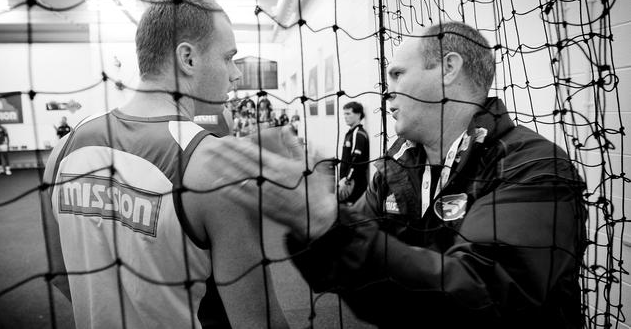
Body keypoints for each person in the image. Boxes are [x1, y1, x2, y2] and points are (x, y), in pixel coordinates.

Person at [204, 22, 586, 328]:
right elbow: (362, 264)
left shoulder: (533, 167)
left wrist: (328, 223)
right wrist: (317, 222)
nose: (389, 91)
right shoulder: (397, 165)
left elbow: (480, 299)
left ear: (449, 69)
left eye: (399, 73)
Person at [41, 0, 288, 329]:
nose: (237, 74)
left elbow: (59, 275)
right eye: (228, 57)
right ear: (188, 58)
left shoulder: (63, 150)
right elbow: (260, 322)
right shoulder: (213, 167)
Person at [338, 102, 369, 205]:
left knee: (352, 214)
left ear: (358, 114)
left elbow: (356, 160)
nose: (345, 117)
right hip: (347, 181)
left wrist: (347, 180)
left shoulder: (358, 133)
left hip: (355, 183)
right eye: (344, 114)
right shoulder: (350, 132)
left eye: (348, 114)